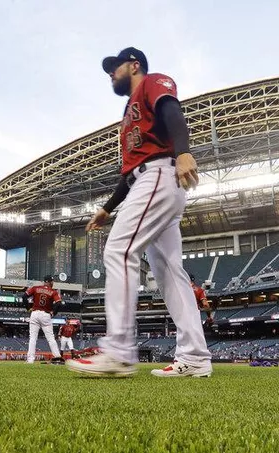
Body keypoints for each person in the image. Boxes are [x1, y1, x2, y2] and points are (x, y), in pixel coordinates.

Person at [66, 47, 212, 378]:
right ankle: (196, 358)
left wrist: (184, 152)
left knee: (119, 250)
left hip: (160, 175)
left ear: (134, 65)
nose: (110, 73)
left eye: (114, 67)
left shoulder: (152, 83)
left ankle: (118, 351)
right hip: (148, 179)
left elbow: (172, 112)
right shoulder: (127, 113)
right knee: (169, 272)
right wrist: (106, 208)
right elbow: (129, 172)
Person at [24, 275, 64, 364]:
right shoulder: (53, 292)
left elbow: (24, 296)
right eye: (52, 282)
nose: (53, 283)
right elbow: (59, 304)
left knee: (33, 338)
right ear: (49, 282)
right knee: (50, 338)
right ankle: (57, 357)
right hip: (45, 314)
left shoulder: (35, 288)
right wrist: (53, 312)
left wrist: (28, 308)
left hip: (34, 313)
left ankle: (30, 360)